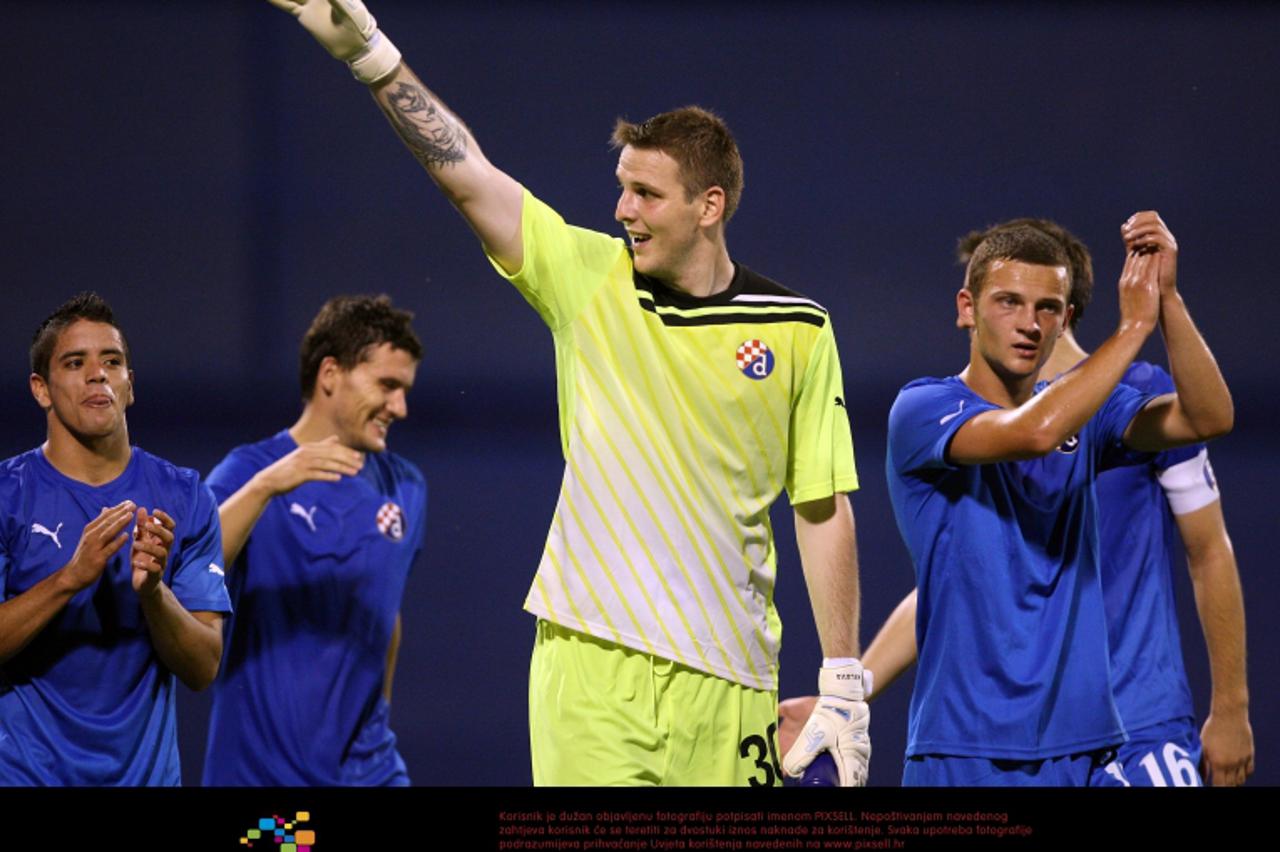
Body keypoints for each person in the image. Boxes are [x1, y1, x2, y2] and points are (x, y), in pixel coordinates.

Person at [268, 0, 868, 786]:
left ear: (708, 206)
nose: (623, 210)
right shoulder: (589, 279)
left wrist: (844, 683)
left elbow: (820, 506)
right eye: (622, 189)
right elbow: (467, 176)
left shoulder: (799, 329)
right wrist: (372, 55)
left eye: (647, 194)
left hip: (732, 681)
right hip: (590, 667)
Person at [781, 218, 1254, 786]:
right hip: (962, 748)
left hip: (1092, 749)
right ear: (966, 308)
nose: (1029, 324)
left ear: (1067, 319)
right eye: (1008, 302)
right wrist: (1133, 326)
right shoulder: (922, 407)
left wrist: (1168, 300)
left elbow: (1210, 417)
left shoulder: (1096, 413)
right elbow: (1033, 435)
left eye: (1047, 308)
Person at [0, 292, 229, 785]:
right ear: (41, 389)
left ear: (129, 386)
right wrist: (68, 580)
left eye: (112, 361)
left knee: (291, 837)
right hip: (25, 777)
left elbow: (203, 667)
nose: (97, 374)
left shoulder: (185, 496)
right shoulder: (6, 495)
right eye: (75, 362)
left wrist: (153, 593)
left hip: (145, 780)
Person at [201, 294, 425, 786]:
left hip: (370, 772)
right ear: (330, 374)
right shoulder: (249, 471)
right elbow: (189, 572)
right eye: (387, 385)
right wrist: (266, 488)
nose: (400, 407)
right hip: (264, 778)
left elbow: (387, 615)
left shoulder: (406, 487)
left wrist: (376, 716)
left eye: (404, 389)